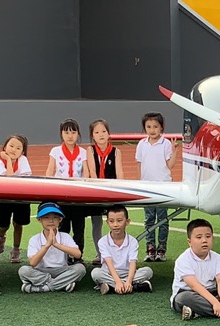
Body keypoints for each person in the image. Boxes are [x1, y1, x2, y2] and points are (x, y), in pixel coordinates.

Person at [46, 119, 93, 253]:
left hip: (77, 195)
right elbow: (50, 170)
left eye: (73, 132)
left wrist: (84, 187)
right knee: (63, 227)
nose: (70, 136)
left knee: (79, 227)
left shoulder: (83, 152)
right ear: (61, 134)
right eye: (66, 132)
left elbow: (86, 172)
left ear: (78, 134)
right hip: (61, 195)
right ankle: (63, 255)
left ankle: (78, 255)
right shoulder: (55, 151)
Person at [19, 203, 87, 293]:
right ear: (39, 220)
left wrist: (56, 244)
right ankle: (62, 284)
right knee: (23, 270)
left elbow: (78, 254)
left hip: (62, 270)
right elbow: (33, 263)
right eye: (46, 217)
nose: (51, 221)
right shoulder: (34, 239)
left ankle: (44, 287)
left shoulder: (65, 236)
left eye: (55, 217)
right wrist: (47, 245)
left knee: (80, 269)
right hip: (41, 271)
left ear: (60, 219)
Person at [137, 112, 177, 262]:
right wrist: (139, 182)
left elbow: (170, 165)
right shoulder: (142, 144)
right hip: (147, 186)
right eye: (148, 127)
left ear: (161, 127)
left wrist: (175, 151)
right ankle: (150, 248)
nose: (152, 130)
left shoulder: (166, 144)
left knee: (162, 219)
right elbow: (139, 164)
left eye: (155, 126)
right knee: (149, 219)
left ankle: (161, 249)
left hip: (162, 187)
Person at [92, 205, 153, 294]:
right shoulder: (102, 241)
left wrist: (128, 281)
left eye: (119, 221)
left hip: (128, 274)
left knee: (148, 271)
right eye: (111, 221)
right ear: (107, 222)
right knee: (96, 273)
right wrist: (117, 281)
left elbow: (132, 262)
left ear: (127, 222)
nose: (115, 225)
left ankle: (111, 286)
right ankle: (134, 286)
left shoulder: (132, 241)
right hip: (109, 273)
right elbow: (109, 262)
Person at [87, 118, 124, 259]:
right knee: (96, 223)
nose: (101, 135)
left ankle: (117, 252)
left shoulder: (116, 152)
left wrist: (120, 191)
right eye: (96, 132)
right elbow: (92, 171)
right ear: (92, 136)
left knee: (116, 223)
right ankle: (100, 254)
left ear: (109, 134)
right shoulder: (90, 150)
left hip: (112, 193)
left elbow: (119, 173)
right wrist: (98, 189)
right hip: (96, 192)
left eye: (103, 131)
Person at [0, 134, 32, 264]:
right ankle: (1, 237)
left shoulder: (23, 161)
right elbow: (8, 178)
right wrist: (9, 161)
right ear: (4, 147)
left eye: (18, 148)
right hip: (5, 197)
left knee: (18, 224)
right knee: (3, 225)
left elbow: (24, 179)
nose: (14, 150)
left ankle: (16, 249)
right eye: (11, 146)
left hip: (21, 197)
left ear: (23, 152)